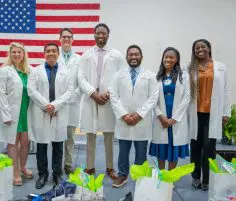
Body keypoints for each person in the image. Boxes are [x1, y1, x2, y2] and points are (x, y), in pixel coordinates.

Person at [78, 23, 124, 180]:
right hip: (91, 99)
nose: (101, 36)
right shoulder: (86, 55)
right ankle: (90, 167)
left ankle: (110, 168)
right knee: (90, 134)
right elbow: (81, 78)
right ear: (94, 35)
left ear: (108, 35)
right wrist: (93, 93)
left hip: (108, 99)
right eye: (98, 33)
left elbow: (120, 77)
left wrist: (108, 93)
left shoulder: (116, 55)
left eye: (104, 33)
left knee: (109, 135)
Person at [109, 45, 159, 187]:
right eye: (131, 55)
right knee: (123, 151)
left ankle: (140, 176)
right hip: (124, 120)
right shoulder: (118, 75)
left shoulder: (150, 75)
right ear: (126, 57)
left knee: (141, 152)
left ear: (141, 57)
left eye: (136, 54)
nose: (133, 57)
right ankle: (122, 175)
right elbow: (113, 95)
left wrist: (139, 114)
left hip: (141, 121)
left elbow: (153, 97)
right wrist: (124, 115)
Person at [27, 43, 73, 189]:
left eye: (54, 51)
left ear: (58, 53)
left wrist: (55, 105)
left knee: (58, 146)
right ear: (44, 54)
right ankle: (42, 174)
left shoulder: (66, 71)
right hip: (42, 112)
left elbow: (70, 91)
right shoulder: (36, 71)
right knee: (41, 146)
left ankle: (57, 174)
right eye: (48, 51)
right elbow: (31, 90)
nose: (51, 53)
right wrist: (46, 105)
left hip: (58, 112)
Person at [188, 39, 231, 191]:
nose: (200, 49)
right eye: (196, 48)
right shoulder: (191, 68)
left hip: (212, 113)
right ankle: (195, 176)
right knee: (195, 146)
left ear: (209, 48)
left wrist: (225, 113)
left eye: (203, 46)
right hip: (195, 113)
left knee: (209, 146)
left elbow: (226, 90)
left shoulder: (220, 67)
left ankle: (207, 179)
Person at [0, 42, 34, 186]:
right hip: (13, 112)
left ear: (24, 54)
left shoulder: (29, 70)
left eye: (19, 52)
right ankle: (15, 172)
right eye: (14, 52)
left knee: (26, 142)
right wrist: (5, 115)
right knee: (13, 141)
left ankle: (23, 166)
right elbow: (1, 94)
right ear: (10, 54)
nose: (17, 54)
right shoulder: (5, 70)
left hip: (27, 111)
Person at [149, 47, 190, 171]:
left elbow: (187, 97)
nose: (168, 59)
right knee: (161, 147)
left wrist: (173, 119)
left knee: (173, 147)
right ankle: (162, 176)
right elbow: (152, 99)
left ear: (176, 59)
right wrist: (160, 116)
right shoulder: (157, 77)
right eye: (166, 57)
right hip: (161, 119)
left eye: (171, 57)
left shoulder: (184, 76)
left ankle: (170, 178)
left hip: (176, 120)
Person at [57, 28, 81, 175]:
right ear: (60, 39)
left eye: (69, 37)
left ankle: (68, 164)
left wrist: (75, 95)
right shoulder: (54, 56)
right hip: (58, 104)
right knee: (58, 137)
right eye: (64, 37)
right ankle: (56, 165)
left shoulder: (79, 59)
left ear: (73, 40)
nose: (66, 39)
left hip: (72, 103)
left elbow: (82, 80)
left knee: (70, 137)